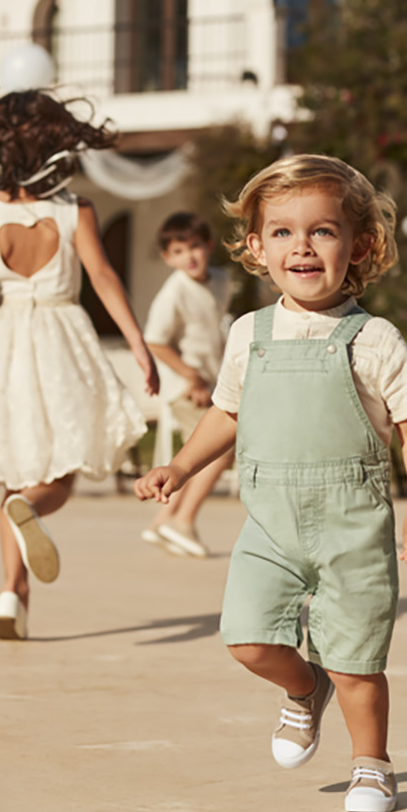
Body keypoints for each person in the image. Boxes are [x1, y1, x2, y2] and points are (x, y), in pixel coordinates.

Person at [134, 154, 407, 812]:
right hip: (269, 525)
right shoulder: (249, 334)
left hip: (352, 528)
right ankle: (305, 691)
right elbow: (227, 412)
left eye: (322, 231)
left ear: (359, 245)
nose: (301, 246)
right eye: (281, 232)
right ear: (255, 247)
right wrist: (181, 467)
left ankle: (372, 764)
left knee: (357, 661)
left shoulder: (376, 339)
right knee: (246, 638)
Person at [0, 89, 159, 640]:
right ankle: (33, 510)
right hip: (61, 338)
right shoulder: (74, 209)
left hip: (0, 344)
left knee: (14, 475)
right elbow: (104, 279)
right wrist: (138, 343)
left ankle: (12, 594)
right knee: (58, 474)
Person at [140, 212, 235, 558]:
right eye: (179, 251)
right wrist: (192, 377)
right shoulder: (174, 292)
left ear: (208, 246)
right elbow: (156, 341)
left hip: (212, 384)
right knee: (219, 450)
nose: (189, 257)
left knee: (199, 455)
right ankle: (182, 521)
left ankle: (162, 522)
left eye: (194, 247)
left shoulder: (222, 280)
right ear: (168, 258)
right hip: (185, 387)